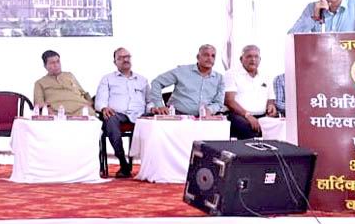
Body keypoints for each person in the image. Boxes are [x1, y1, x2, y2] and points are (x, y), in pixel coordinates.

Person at [94, 47, 148, 178]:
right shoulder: (107, 79)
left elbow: (149, 101)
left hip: (140, 115)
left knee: (155, 122)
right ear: (115, 62)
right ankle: (123, 163)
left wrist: (151, 110)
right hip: (118, 115)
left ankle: (151, 166)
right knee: (110, 119)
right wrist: (104, 108)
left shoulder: (142, 80)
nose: (125, 60)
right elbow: (100, 101)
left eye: (127, 57)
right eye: (121, 58)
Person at [149, 44, 225, 117]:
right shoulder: (182, 71)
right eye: (206, 55)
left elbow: (218, 103)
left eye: (213, 56)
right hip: (177, 116)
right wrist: (159, 105)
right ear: (198, 57)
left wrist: (210, 110)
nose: (210, 58)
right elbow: (156, 82)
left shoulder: (219, 78)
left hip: (203, 119)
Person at [225, 45, 279, 139]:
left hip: (263, 116)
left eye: (256, 56)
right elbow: (229, 101)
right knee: (248, 128)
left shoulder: (266, 75)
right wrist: (247, 115)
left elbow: (270, 99)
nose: (253, 59)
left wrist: (271, 106)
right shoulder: (231, 74)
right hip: (240, 115)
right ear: (241, 59)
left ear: (260, 59)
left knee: (279, 127)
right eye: (249, 56)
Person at [32, 50, 93, 115]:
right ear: (45, 66)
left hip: (81, 109)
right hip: (58, 112)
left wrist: (90, 103)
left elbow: (83, 93)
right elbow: (39, 104)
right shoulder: (40, 83)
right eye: (52, 63)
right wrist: (51, 114)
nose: (56, 65)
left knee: (90, 113)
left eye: (58, 61)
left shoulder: (69, 75)